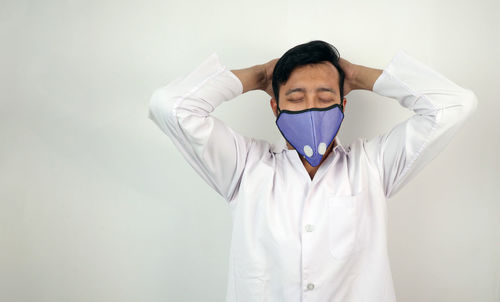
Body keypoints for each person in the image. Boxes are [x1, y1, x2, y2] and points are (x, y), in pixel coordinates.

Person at [148, 40, 477, 302]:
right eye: (296, 97)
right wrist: (260, 75)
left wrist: (357, 74)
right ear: (275, 106)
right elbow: (170, 106)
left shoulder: (372, 165)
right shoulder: (245, 167)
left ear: (343, 105)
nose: (311, 109)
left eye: (324, 98)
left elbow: (454, 106)